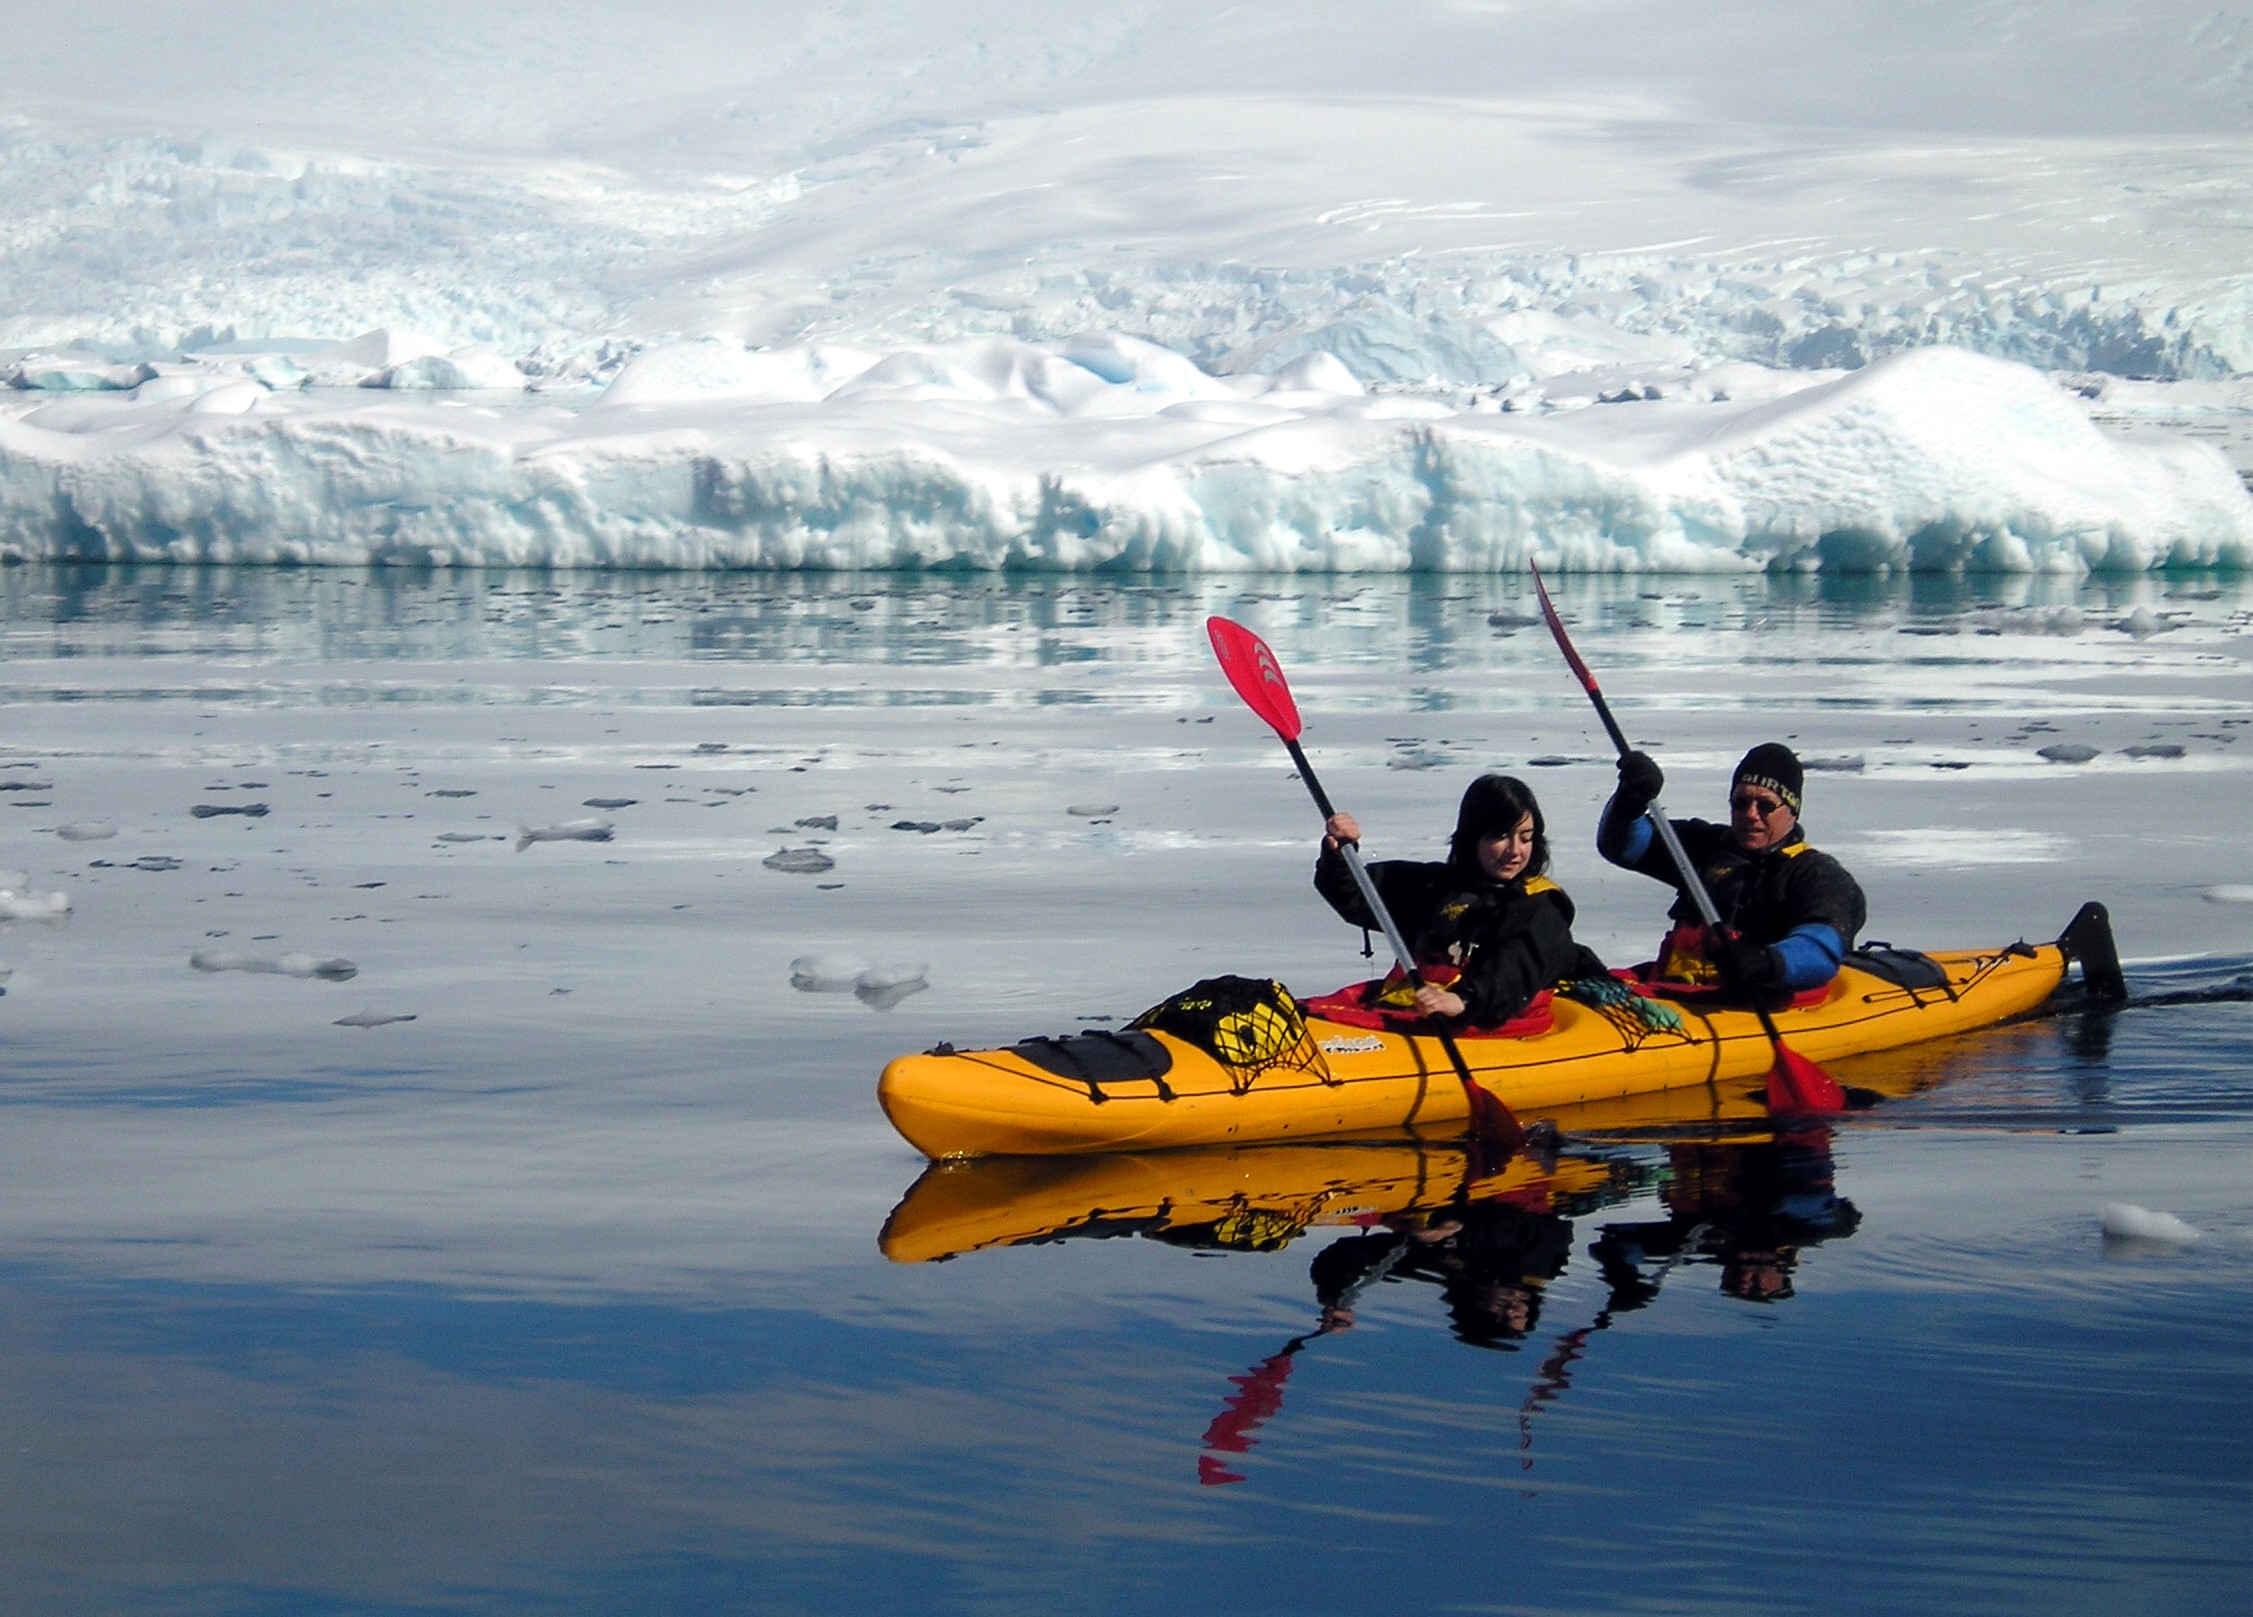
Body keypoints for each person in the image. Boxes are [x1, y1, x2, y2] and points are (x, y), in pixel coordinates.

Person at [1315, 774, 1597, 1027]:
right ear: (1472, 837)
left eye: (1525, 838)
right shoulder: (1435, 885)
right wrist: (1340, 855)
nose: (1515, 851)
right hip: (1410, 1013)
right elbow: (1353, 895)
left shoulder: (1540, 907)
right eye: (1500, 837)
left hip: (1485, 1015)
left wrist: (1462, 1001)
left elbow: (1514, 969)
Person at [1597, 742, 1866, 994]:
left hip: (1754, 1001)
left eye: (1765, 805)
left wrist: (1765, 962)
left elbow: (1823, 946)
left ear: (1792, 812)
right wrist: (1629, 802)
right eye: (1741, 802)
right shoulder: (1705, 847)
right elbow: (1621, 845)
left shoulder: (1817, 874)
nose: (1751, 814)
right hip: (1676, 993)